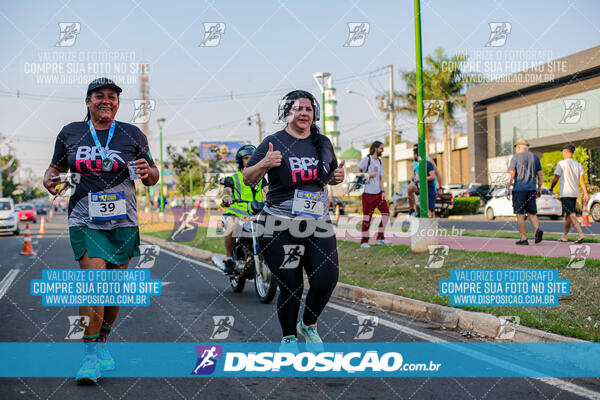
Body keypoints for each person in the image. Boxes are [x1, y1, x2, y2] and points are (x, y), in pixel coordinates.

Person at [42, 77, 159, 384]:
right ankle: (89, 355)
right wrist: (50, 177)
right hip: (85, 217)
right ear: (88, 101)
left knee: (113, 289)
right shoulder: (70, 133)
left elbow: (152, 175)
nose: (106, 100)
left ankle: (103, 341)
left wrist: (149, 172)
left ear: (118, 103)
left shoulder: (132, 134)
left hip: (124, 220)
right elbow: (55, 169)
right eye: (99, 96)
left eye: (112, 96)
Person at [243, 90, 344, 349]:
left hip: (317, 222)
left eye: (308, 109)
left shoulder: (323, 143)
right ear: (287, 113)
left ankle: (308, 324)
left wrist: (336, 178)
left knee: (326, 278)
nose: (303, 113)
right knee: (291, 285)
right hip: (279, 223)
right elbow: (248, 178)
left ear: (314, 113)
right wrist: (265, 162)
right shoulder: (273, 141)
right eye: (297, 108)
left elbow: (328, 176)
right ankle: (288, 337)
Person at [221, 144, 267, 275]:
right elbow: (227, 190)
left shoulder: (261, 178)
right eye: (246, 158)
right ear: (240, 161)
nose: (249, 160)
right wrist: (226, 197)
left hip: (256, 214)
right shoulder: (234, 178)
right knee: (230, 225)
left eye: (252, 157)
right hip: (236, 213)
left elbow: (268, 191)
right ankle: (229, 259)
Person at [506, 138, 543, 245]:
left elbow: (512, 174)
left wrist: (508, 187)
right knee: (532, 212)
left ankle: (524, 238)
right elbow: (540, 174)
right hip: (531, 189)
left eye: (516, 148)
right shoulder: (535, 157)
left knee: (520, 214)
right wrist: (539, 188)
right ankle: (537, 229)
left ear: (518, 147)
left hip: (519, 190)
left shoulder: (515, 158)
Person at [549, 144, 589, 243]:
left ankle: (580, 234)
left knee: (571, 214)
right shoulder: (578, 164)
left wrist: (551, 188)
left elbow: (555, 179)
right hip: (574, 194)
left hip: (565, 193)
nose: (562, 153)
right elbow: (582, 181)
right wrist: (586, 193)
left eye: (562, 151)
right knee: (567, 215)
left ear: (566, 152)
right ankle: (564, 236)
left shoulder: (561, 164)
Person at [357, 141, 391, 248]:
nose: (382, 150)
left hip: (378, 194)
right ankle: (364, 242)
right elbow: (356, 172)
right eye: (381, 148)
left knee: (386, 213)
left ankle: (380, 239)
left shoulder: (380, 162)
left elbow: (380, 178)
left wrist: (383, 192)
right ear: (375, 148)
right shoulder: (366, 160)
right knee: (367, 218)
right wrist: (368, 175)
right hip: (368, 194)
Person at [407, 144, 443, 217]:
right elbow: (412, 178)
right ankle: (412, 210)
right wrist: (410, 197)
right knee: (410, 188)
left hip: (430, 186)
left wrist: (440, 188)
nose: (414, 154)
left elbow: (437, 174)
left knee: (430, 211)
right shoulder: (413, 164)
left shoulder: (428, 160)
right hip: (420, 185)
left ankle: (431, 225)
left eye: (415, 152)